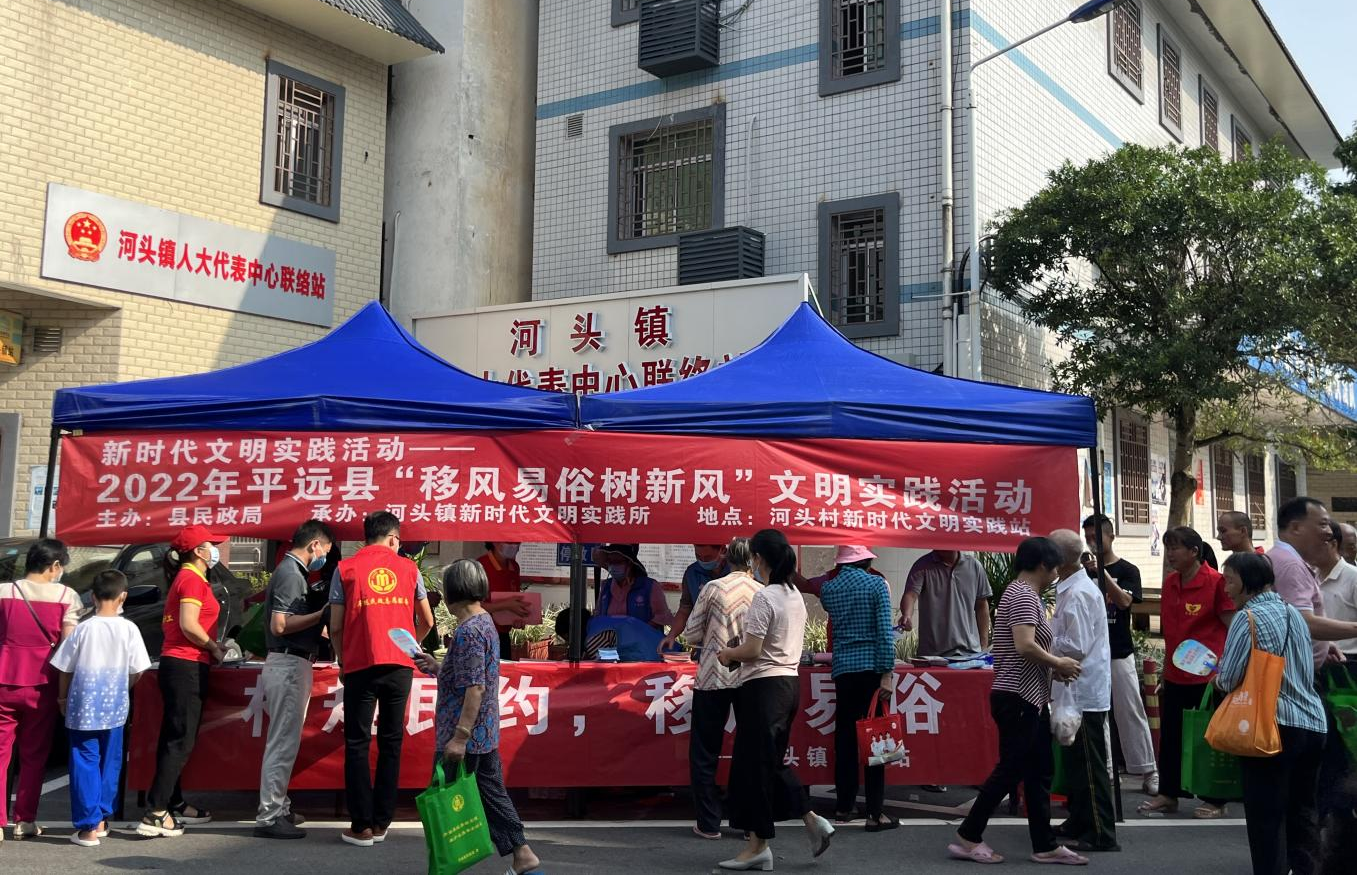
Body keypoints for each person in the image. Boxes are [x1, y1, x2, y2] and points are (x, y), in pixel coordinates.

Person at [949, 536, 1085, 866]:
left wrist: (1054, 669)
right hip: (1018, 698)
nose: (1056, 574)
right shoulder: (1023, 595)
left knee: (1039, 772)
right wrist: (1058, 662)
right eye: (1055, 568)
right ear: (1043, 565)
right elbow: (1024, 645)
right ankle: (969, 835)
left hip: (1028, 698)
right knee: (1011, 770)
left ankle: (1045, 845)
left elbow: (1026, 649)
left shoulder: (1024, 594)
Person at [717, 529, 835, 870]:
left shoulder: (765, 597)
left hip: (763, 687)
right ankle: (807, 821)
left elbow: (752, 650)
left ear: (758, 558)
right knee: (767, 763)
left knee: (755, 767)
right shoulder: (794, 594)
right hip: (788, 685)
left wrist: (728, 653)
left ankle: (759, 847)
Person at [414, 560, 541, 875]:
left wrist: (459, 737)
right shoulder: (484, 621)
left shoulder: (469, 631)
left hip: (466, 735)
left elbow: (475, 688)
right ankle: (522, 853)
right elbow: (472, 676)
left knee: (444, 802)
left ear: (452, 591)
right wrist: (439, 668)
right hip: (484, 731)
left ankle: (447, 862)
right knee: (492, 796)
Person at [1216, 551, 1328, 875]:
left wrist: (1216, 678)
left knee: (1266, 816)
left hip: (1271, 726)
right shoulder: (1294, 614)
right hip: (1313, 722)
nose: (1226, 589)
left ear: (1246, 581)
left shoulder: (1247, 618)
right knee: (1303, 813)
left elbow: (1229, 677)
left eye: (1230, 581)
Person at [328, 511, 435, 847]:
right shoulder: (410, 569)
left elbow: (335, 626)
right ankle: (381, 822)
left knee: (357, 743)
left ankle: (361, 826)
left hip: (360, 664)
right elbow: (428, 621)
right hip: (399, 666)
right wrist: (410, 647)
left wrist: (342, 659)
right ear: (393, 538)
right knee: (391, 742)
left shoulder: (345, 569)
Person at [1268, 498, 1358, 833]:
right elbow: (1303, 622)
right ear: (1295, 528)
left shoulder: (1290, 561)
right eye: (1320, 523)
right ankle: (1319, 840)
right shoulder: (1292, 565)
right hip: (1299, 684)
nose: (1328, 531)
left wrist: (1327, 644)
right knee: (1321, 765)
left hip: (1316, 676)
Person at [138, 525, 230, 838]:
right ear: (198, 551)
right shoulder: (190, 579)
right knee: (180, 740)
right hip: (186, 664)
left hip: (183, 664)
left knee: (175, 737)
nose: (214, 550)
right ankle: (156, 811)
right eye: (211, 545)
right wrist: (214, 647)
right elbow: (189, 625)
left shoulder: (190, 577)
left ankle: (172, 802)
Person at [1138, 526, 1234, 819]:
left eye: (1175, 548)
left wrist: (1225, 669)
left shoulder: (1216, 582)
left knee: (1209, 738)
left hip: (1209, 677)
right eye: (1167, 548)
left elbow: (1233, 627)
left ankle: (1215, 799)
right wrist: (1165, 671)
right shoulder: (1170, 583)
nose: (1170, 554)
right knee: (1172, 737)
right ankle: (1169, 794)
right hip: (1176, 674)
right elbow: (1171, 632)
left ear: (1194, 552)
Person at [51, 570, 151, 847]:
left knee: (85, 762)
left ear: (93, 597)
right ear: (123, 597)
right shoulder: (129, 629)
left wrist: (62, 699)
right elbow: (139, 669)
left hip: (82, 709)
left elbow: (64, 669)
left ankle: (88, 827)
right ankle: (102, 819)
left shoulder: (83, 629)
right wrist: (124, 686)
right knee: (110, 762)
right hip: (115, 708)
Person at [254, 519, 335, 839]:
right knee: (282, 743)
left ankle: (280, 806)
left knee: (285, 740)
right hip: (288, 663)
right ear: (315, 545)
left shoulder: (293, 572)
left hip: (290, 662)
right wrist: (321, 614)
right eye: (325, 550)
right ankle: (270, 815)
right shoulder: (290, 573)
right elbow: (280, 625)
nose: (324, 557)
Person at [0, 539, 80, 842]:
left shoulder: (4, 591)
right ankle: (25, 820)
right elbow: (68, 649)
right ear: (55, 565)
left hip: (4, 677)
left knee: (1, 752)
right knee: (34, 755)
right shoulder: (66, 595)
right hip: (44, 683)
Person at [681, 537, 760, 840]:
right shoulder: (761, 591)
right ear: (753, 560)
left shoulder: (713, 588)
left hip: (713, 675)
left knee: (705, 751)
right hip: (750, 677)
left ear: (727, 558)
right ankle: (747, 823)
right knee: (749, 750)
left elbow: (691, 633)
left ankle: (708, 822)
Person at [818, 545, 898, 831]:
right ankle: (875, 813)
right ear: (865, 561)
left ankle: (844, 806)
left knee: (845, 739)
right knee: (876, 739)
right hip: (871, 671)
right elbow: (884, 633)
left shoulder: (829, 589)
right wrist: (887, 673)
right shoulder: (877, 585)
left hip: (843, 670)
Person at [1049, 530, 1117, 853]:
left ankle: (1101, 832)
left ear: (1059, 560)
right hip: (1077, 687)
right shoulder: (1071, 587)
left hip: (1083, 689)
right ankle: (1079, 819)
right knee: (1076, 762)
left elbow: (1075, 645)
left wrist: (1043, 643)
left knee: (1090, 764)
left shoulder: (1077, 593)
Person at [1082, 514, 1158, 795]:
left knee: (1131, 710)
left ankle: (1148, 770)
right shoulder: (1082, 573)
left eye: (1096, 536)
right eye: (1087, 537)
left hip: (1119, 650)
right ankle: (1108, 771)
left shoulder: (1128, 570)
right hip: (1091, 654)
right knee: (1097, 713)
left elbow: (1125, 601)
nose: (1092, 542)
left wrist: (1102, 572)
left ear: (1111, 536)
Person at [899, 549, 991, 658]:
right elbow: (911, 594)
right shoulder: (922, 565)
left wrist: (983, 645)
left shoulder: (974, 566)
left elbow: (982, 605)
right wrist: (907, 615)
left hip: (970, 653)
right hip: (933, 655)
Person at [660, 543, 730, 653]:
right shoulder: (692, 573)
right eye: (698, 556)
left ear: (723, 550)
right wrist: (671, 635)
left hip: (731, 642)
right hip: (703, 645)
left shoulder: (734, 571)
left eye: (708, 557)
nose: (703, 561)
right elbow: (685, 609)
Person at [595, 544, 673, 629]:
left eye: (617, 562)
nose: (613, 566)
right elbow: (598, 616)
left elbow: (662, 616)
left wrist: (639, 631)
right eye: (610, 562)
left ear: (629, 564)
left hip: (643, 636)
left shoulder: (650, 586)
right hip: (610, 636)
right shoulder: (605, 587)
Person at [476, 542, 531, 659]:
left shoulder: (514, 567)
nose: (515, 545)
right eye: (510, 542)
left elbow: (514, 600)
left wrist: (517, 618)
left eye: (517, 542)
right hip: (482, 634)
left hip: (503, 635)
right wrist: (506, 605)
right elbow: (472, 606)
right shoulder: (480, 566)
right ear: (495, 541)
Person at [1318, 519, 1357, 662]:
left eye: (1318, 544)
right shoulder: (1310, 576)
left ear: (1334, 544)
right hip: (1321, 657)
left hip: (1349, 660)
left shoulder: (1353, 577)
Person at [552, 607, 618, 660]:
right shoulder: (595, 622)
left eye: (567, 638)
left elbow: (607, 667)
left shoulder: (592, 640)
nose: (568, 643)